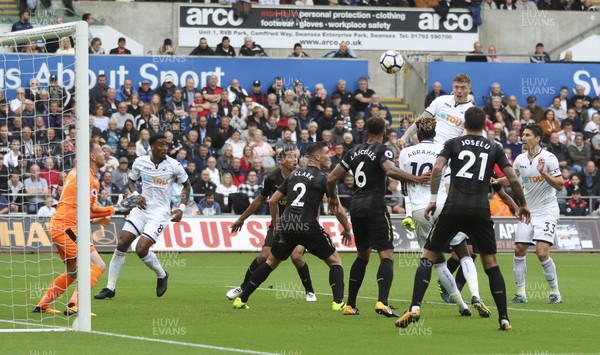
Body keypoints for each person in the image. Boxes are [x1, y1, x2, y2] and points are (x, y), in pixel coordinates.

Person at [395, 107, 530, 331]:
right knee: (491, 264)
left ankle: (415, 307)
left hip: (453, 207)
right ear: (484, 124)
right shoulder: (494, 147)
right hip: (479, 210)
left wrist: (432, 199)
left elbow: (437, 168)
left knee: (428, 256)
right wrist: (522, 205)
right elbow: (513, 178)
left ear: (464, 124)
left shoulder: (453, 143)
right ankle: (504, 319)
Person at [327, 116, 431, 316]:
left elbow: (331, 178)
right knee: (386, 255)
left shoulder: (353, 151)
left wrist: (332, 197)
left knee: (362, 255)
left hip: (356, 208)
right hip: (375, 206)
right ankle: (382, 302)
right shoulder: (383, 150)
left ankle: (350, 305)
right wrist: (416, 178)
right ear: (384, 133)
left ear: (366, 132)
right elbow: (390, 170)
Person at [232, 142, 352, 310]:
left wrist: (277, 222)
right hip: (308, 225)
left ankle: (242, 300)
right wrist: (346, 229)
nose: (329, 156)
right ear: (317, 156)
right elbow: (338, 209)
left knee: (270, 262)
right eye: (326, 153)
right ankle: (338, 303)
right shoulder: (325, 178)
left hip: (287, 225)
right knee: (335, 261)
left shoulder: (294, 175)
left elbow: (273, 200)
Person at [95, 132, 190, 300]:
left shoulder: (174, 165)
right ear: (151, 146)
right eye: (160, 145)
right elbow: (131, 180)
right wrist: (134, 195)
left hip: (159, 213)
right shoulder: (140, 162)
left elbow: (186, 186)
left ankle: (162, 274)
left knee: (140, 248)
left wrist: (181, 208)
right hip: (141, 210)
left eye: (166, 145)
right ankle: (110, 287)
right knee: (122, 242)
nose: (164, 148)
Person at [33, 141, 115, 315]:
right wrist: (115, 208)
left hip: (60, 225)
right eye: (101, 150)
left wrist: (98, 220)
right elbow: (91, 210)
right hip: (67, 228)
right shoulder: (89, 178)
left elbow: (81, 210)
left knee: (73, 271)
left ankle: (43, 304)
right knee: (98, 264)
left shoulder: (76, 173)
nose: (105, 153)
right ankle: (73, 305)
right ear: (92, 156)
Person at [227, 150, 318, 301]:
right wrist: (242, 219)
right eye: (290, 157)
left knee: (296, 257)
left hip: (299, 223)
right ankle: (243, 287)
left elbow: (314, 202)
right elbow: (259, 200)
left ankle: (310, 291)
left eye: (295, 157)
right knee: (264, 256)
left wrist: (313, 221)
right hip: (278, 224)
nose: (294, 160)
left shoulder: (302, 176)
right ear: (281, 161)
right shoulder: (271, 179)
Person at [493, 124, 564, 305]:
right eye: (522, 135)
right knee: (519, 250)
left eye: (527, 135)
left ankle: (555, 292)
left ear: (538, 138)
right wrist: (496, 181)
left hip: (547, 211)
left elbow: (560, 184)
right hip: (528, 211)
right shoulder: (519, 160)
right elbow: (513, 178)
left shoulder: (549, 158)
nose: (523, 138)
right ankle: (521, 293)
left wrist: (543, 173)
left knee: (541, 252)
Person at [399, 73, 474, 147]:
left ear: (469, 89)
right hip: (430, 146)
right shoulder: (441, 100)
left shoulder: (471, 110)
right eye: (456, 87)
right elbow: (421, 120)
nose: (459, 91)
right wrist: (404, 138)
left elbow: (467, 136)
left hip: (450, 150)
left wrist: (450, 147)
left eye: (463, 88)